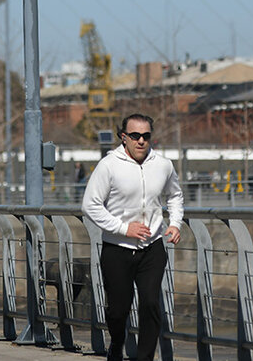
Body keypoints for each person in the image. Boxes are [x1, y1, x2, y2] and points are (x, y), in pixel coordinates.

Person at [82, 113, 183, 361]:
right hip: (117, 249)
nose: (141, 141)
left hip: (152, 248)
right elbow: (90, 205)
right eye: (135, 136)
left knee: (150, 303)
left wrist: (175, 223)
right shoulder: (109, 165)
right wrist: (123, 228)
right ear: (123, 137)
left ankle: (145, 357)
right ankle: (116, 344)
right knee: (118, 310)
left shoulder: (163, 165)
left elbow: (175, 196)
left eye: (146, 136)